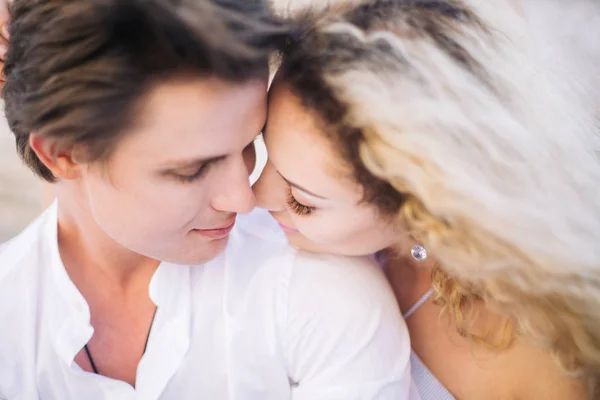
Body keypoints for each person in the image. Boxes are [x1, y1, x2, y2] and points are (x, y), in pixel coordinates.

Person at [0, 0, 416, 398]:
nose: (244, 198)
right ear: (64, 154)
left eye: (251, 143)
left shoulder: (319, 288)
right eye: (191, 170)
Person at [254, 0, 600, 399]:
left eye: (301, 201)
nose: (254, 197)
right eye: (266, 151)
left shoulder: (545, 354)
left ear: (419, 203)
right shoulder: (315, 244)